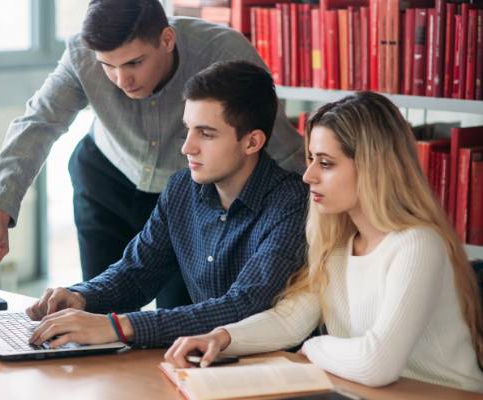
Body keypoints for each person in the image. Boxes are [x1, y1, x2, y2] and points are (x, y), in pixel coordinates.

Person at [0, 0, 304, 309]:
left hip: (186, 196)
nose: (121, 79)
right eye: (108, 66)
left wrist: (319, 217)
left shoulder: (223, 51)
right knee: (93, 303)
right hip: (106, 180)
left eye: (134, 62)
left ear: (167, 40)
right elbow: (39, 122)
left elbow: (277, 143)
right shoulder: (82, 54)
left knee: (177, 316)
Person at [164, 92, 483, 393]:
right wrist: (221, 337)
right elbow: (289, 320)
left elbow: (377, 365)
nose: (308, 176)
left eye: (326, 163)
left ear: (373, 169)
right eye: (311, 159)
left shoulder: (416, 244)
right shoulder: (340, 245)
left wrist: (314, 346)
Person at [25, 60, 308, 349]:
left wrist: (118, 327)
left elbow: (242, 308)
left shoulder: (292, 204)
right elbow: (137, 272)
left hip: (272, 370)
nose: (187, 147)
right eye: (188, 130)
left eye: (206, 134)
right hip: (203, 362)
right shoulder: (182, 188)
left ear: (252, 142)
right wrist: (81, 296)